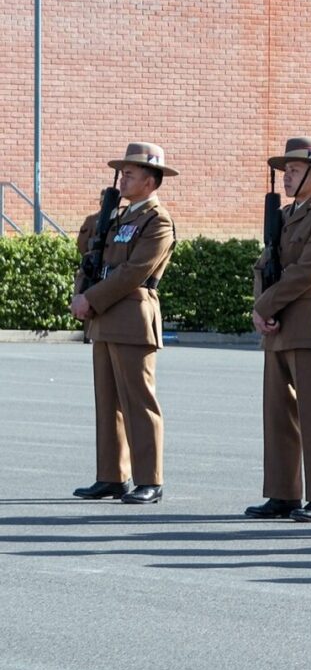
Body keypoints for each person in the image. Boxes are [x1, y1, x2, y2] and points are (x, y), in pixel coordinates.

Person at [246, 137, 311, 524]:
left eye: (294, 170)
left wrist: (266, 305)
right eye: (286, 171)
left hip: (310, 323)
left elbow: (309, 269)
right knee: (278, 413)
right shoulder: (286, 215)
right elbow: (264, 264)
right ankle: (283, 492)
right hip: (279, 324)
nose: (287, 177)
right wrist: (261, 306)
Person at [70, 142, 178, 505]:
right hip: (106, 319)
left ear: (150, 181)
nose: (122, 180)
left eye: (129, 175)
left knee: (138, 402)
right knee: (108, 402)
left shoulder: (157, 220)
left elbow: (134, 272)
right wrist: (104, 209)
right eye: (122, 174)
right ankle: (112, 476)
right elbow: (86, 247)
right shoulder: (119, 217)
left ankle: (150, 479)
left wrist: (90, 298)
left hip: (132, 317)